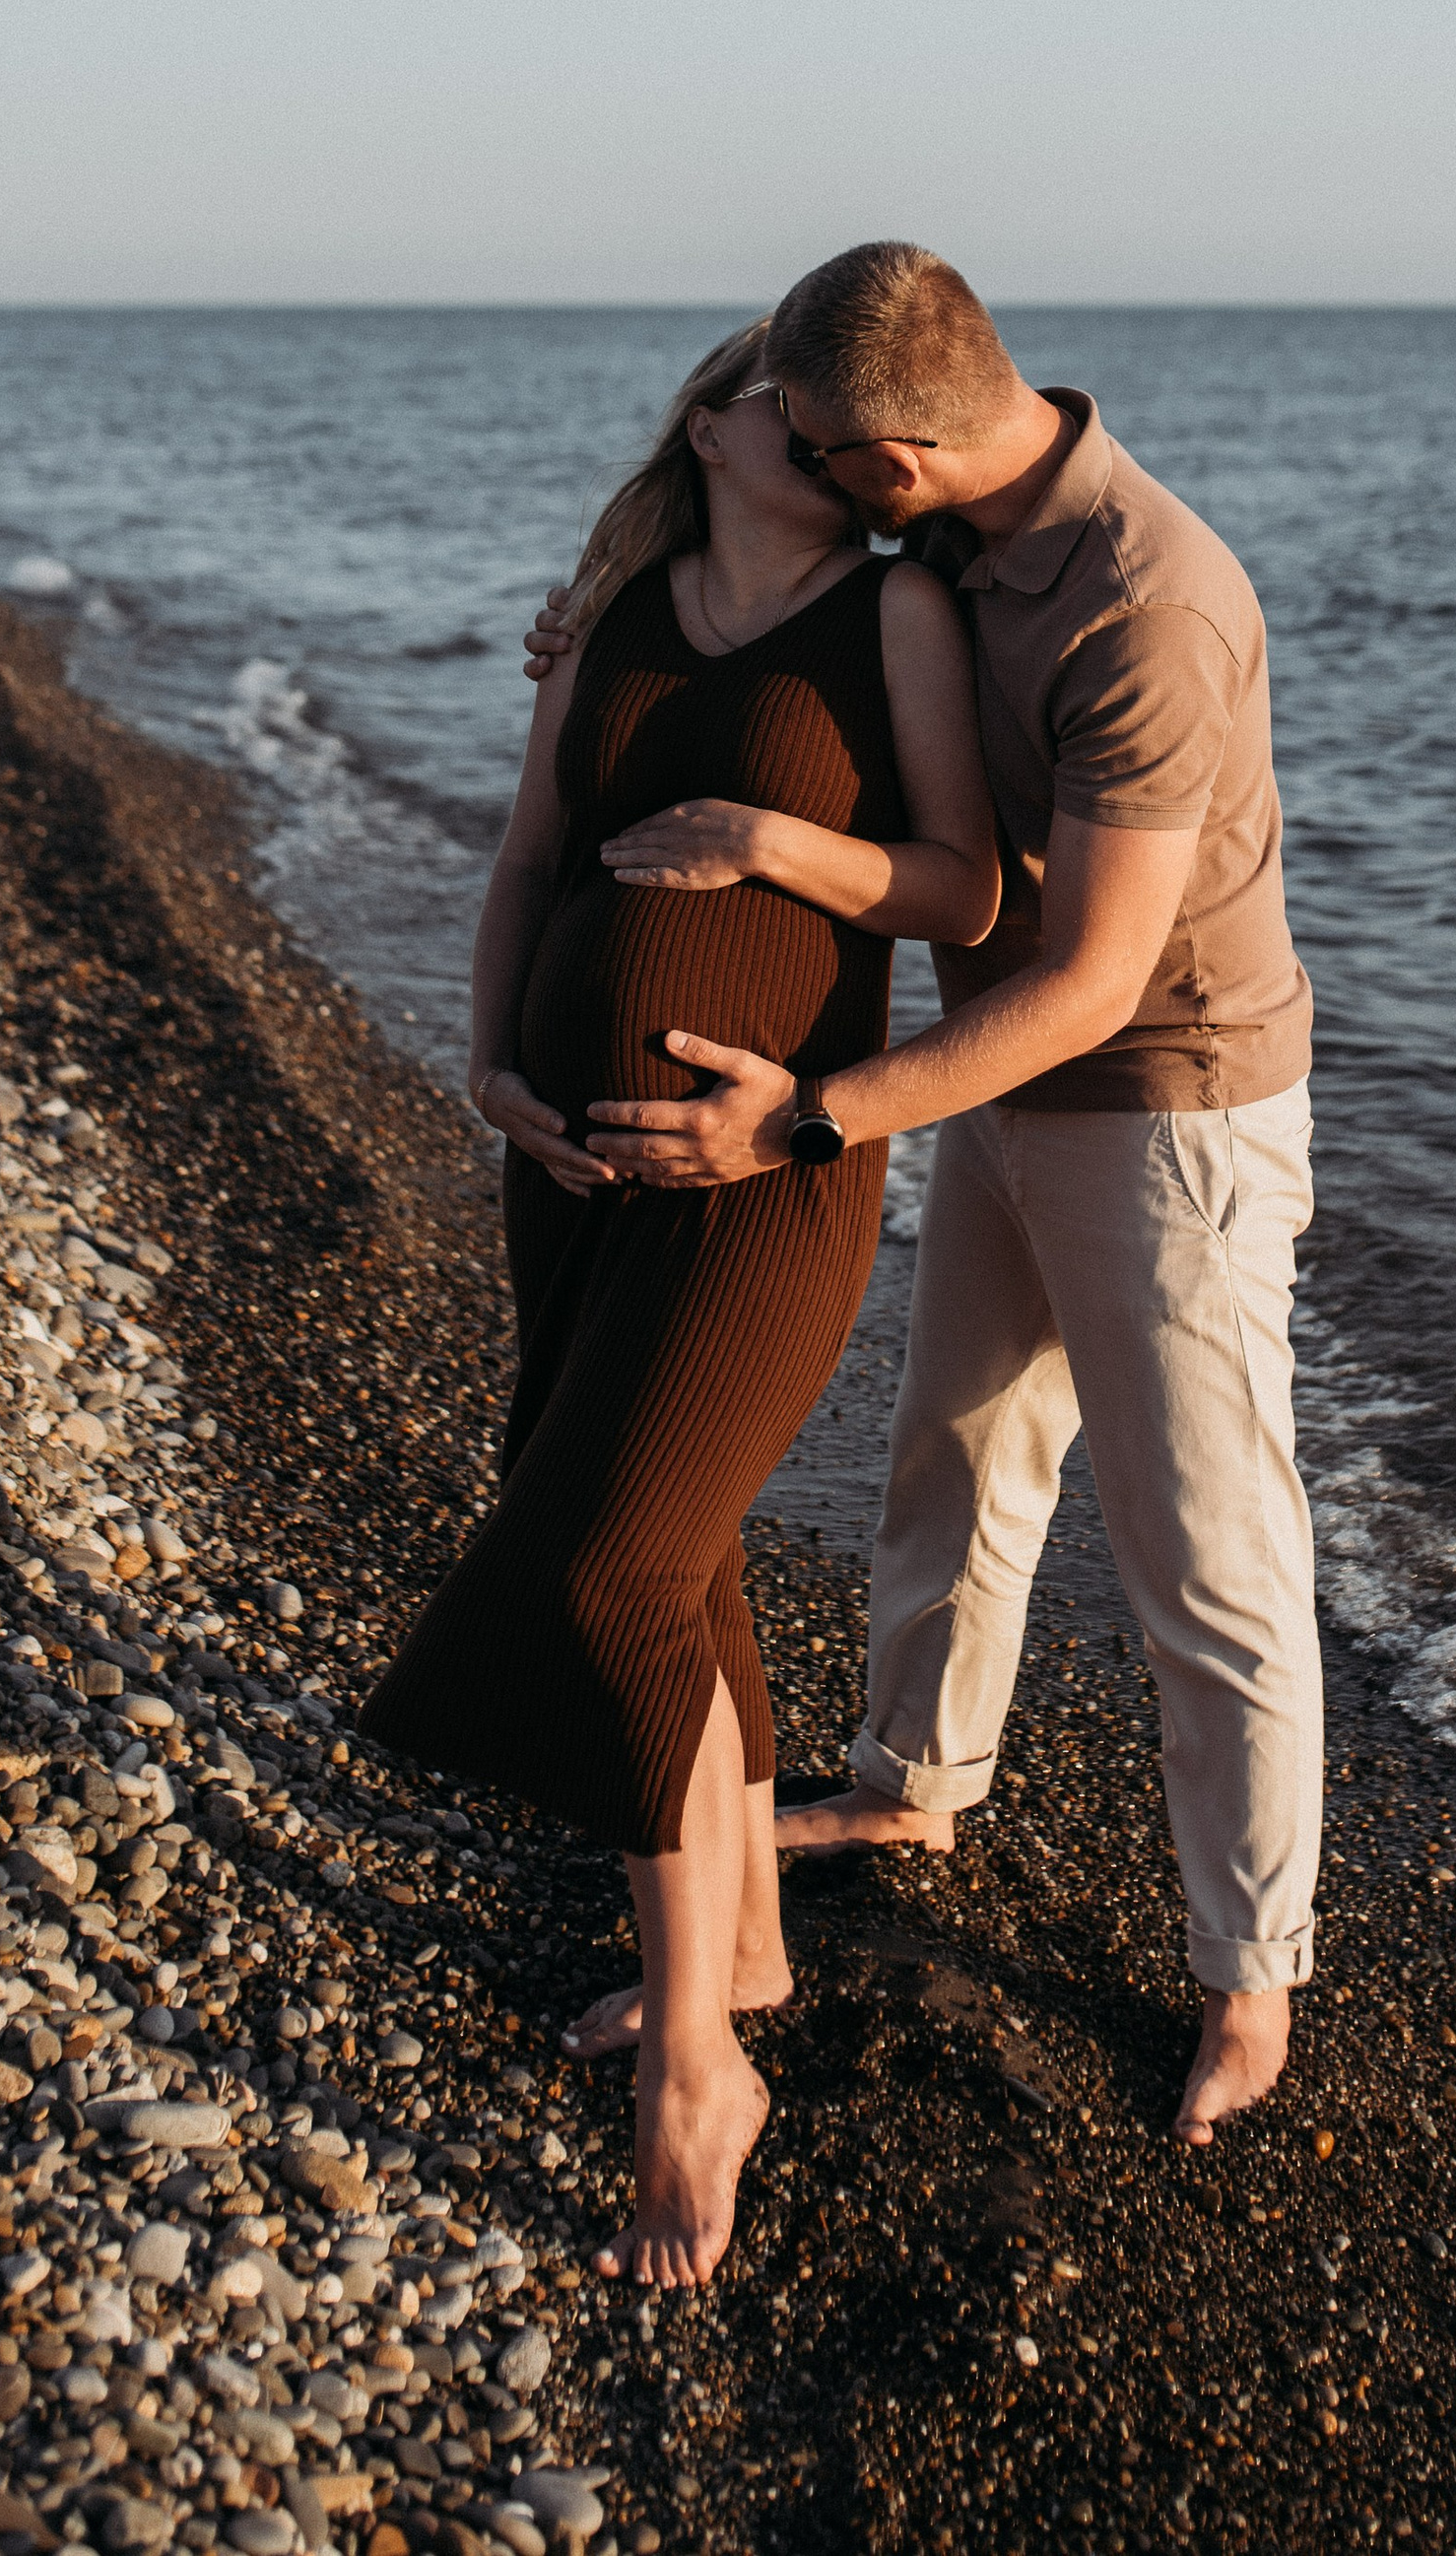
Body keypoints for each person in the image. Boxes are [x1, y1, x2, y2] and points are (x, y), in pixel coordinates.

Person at [533, 241, 1320, 2143]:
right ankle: (914, 1774)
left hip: (1163, 1107)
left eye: (813, 446)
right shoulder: (951, 534)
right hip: (1004, 1080)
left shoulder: (1150, 603)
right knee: (959, 1452)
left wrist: (808, 1119)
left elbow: (1093, 979)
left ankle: (1251, 1971)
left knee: (1207, 1556)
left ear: (891, 453)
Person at [362, 317, 999, 2287]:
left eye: (834, 412)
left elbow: (964, 888)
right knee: (688, 1555)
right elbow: (528, 860)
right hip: (562, 1163)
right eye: (780, 402)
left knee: (609, 1574)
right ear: (716, 427)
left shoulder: (891, 613)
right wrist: (484, 1067)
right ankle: (741, 1948)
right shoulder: (618, 607)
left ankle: (699, 2074)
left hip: (760, 1174)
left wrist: (759, 843)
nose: (818, 432)